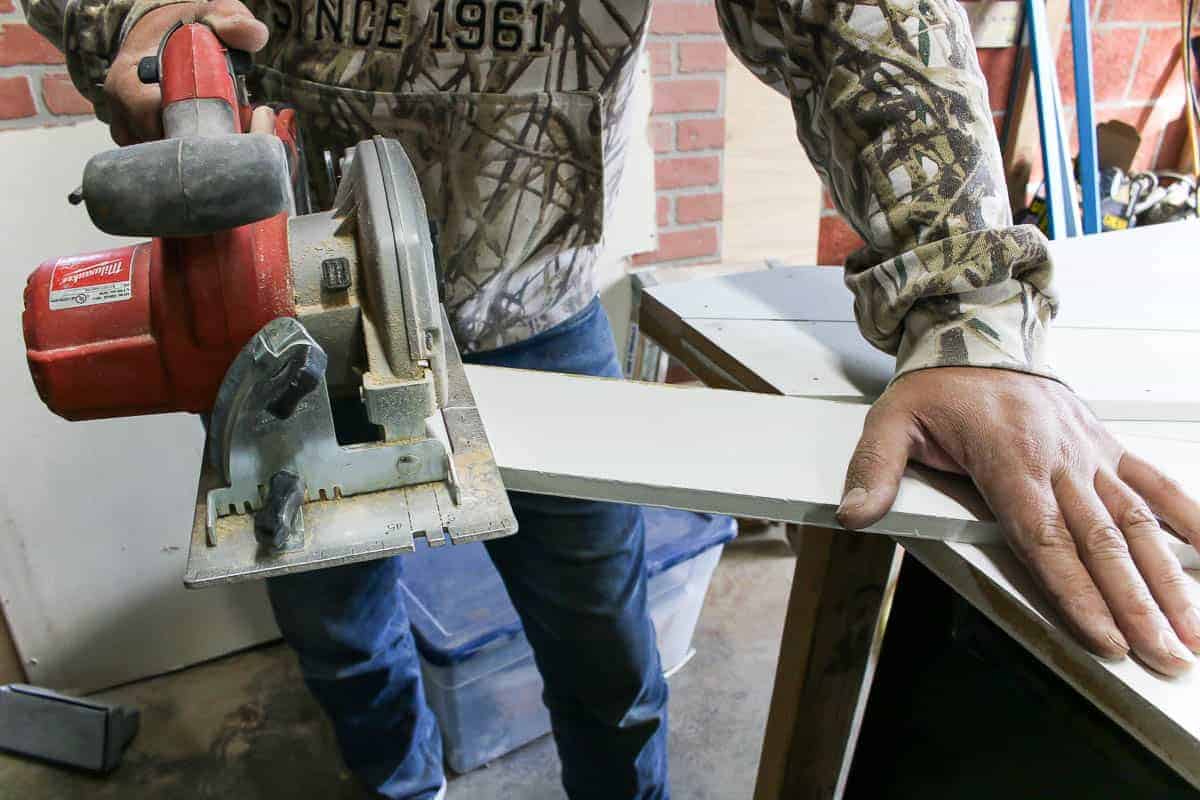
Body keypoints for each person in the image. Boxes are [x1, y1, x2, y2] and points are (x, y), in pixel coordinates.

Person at [22, 0, 1200, 797]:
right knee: (342, 635)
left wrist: (968, 301)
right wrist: (128, 15)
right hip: (288, 332)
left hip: (539, 306)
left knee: (604, 646)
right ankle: (403, 788)